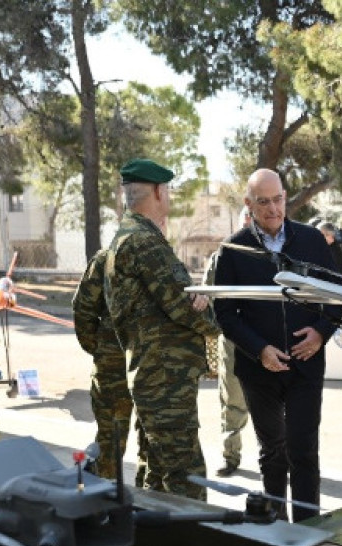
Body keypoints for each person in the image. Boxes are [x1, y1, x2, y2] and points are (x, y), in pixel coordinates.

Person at [213, 169, 342, 521]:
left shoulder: (312, 240)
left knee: (304, 450)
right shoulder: (233, 249)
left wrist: (320, 333)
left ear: (285, 197)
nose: (273, 209)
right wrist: (260, 350)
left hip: (306, 365)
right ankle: (274, 530)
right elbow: (224, 313)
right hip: (258, 369)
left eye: (278, 199)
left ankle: (308, 528)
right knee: (273, 452)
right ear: (248, 204)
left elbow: (337, 296)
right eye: (263, 202)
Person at [103, 158, 219, 499]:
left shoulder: (127, 237)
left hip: (153, 374)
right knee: (186, 479)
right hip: (165, 379)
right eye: (167, 189)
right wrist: (214, 318)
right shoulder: (145, 242)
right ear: (157, 191)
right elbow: (184, 304)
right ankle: (191, 535)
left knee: (155, 476)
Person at [73, 246, 138, 481]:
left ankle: (147, 498)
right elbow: (83, 309)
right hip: (114, 366)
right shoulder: (106, 259)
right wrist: (101, 347)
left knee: (154, 441)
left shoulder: (158, 256)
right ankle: (100, 493)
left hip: (152, 367)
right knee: (111, 439)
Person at [202, 214, 250, 477]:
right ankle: (230, 456)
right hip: (233, 340)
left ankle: (279, 459)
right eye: (246, 221)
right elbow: (208, 295)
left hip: (270, 339)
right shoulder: (222, 255)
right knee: (232, 401)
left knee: (276, 405)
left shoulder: (277, 256)